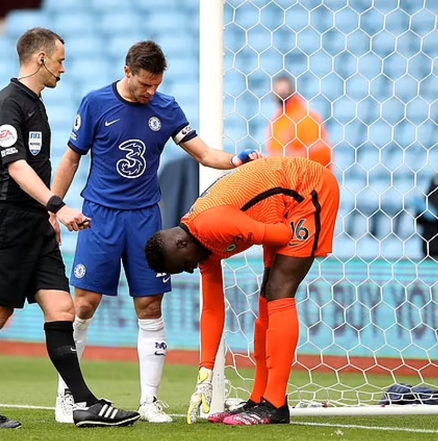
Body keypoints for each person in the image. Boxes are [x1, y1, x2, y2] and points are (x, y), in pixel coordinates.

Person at [50, 40, 259, 424]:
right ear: (128, 71)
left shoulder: (166, 107)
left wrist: (235, 160)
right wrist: (54, 206)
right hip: (100, 216)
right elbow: (71, 158)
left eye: (157, 85)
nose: (151, 92)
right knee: (83, 305)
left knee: (150, 306)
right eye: (145, 85)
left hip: (146, 218)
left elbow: (204, 154)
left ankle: (150, 401)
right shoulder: (95, 104)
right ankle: (68, 395)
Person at [0, 27, 139, 429]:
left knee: (62, 308)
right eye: (60, 59)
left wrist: (46, 218)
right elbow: (17, 166)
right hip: (7, 222)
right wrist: (56, 207)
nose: (63, 67)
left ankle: (83, 404)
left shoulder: (35, 103)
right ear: (40, 58)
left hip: (35, 224)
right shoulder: (7, 104)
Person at [144, 156, 340, 426]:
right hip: (280, 206)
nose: (191, 270)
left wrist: (253, 230)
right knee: (266, 299)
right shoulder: (199, 246)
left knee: (279, 291)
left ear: (181, 243)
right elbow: (212, 309)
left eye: (185, 266)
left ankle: (275, 405)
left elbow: (283, 235)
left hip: (307, 189)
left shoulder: (212, 225)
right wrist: (206, 370)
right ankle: (259, 398)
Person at [265, 74, 333, 170]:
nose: (281, 94)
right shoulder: (277, 121)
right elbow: (274, 151)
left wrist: (292, 157)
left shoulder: (307, 117)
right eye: (278, 91)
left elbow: (321, 150)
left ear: (293, 91)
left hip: (306, 176)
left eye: (284, 91)